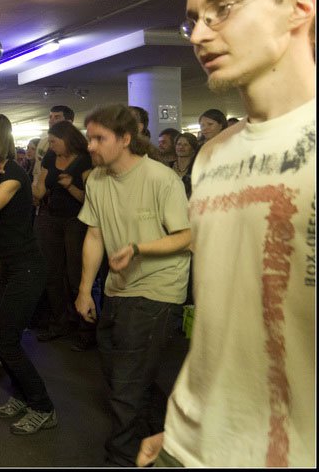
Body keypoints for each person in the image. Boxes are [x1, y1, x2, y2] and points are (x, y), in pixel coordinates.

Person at [138, 0, 315, 467]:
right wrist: (180, 428)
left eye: (224, 8)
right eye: (193, 19)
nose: (199, 34)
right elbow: (224, 315)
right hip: (187, 444)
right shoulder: (212, 157)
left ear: (300, 6)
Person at [74, 104, 191, 466]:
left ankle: (121, 458)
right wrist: (84, 290)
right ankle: (169, 442)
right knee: (123, 376)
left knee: (126, 386)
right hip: (117, 287)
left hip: (158, 287)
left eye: (99, 138)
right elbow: (95, 235)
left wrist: (139, 248)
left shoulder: (160, 178)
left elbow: (187, 236)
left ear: (125, 139)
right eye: (89, 138)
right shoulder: (96, 180)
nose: (90, 146)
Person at [0, 113, 56, 436]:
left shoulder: (12, 175)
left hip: (27, 268)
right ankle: (22, 395)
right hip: (9, 267)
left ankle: (43, 407)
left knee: (7, 341)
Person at [31, 122, 95, 350]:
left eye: (54, 141)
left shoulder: (84, 160)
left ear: (67, 139)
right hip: (51, 218)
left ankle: (86, 328)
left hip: (75, 220)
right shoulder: (50, 157)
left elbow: (90, 199)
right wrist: (32, 188)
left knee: (75, 275)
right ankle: (60, 322)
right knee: (52, 273)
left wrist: (69, 186)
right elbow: (41, 187)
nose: (51, 146)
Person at [31, 105, 75, 190]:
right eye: (50, 117)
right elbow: (37, 170)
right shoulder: (43, 143)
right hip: (41, 192)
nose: (51, 121)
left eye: (57, 117)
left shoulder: (76, 146)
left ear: (68, 122)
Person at [170, 132, 199, 199]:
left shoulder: (197, 168)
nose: (181, 147)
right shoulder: (168, 166)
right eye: (179, 144)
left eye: (185, 145)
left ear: (193, 149)